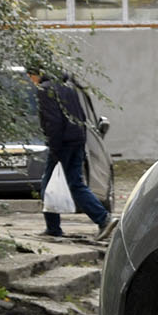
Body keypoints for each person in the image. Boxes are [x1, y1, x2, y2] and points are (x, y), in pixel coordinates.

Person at [27, 66, 115, 241]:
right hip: (77, 141)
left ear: (36, 74)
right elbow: (81, 116)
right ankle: (102, 219)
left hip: (62, 144)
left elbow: (53, 122)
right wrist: (80, 140)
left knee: (49, 184)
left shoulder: (45, 90)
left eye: (30, 76)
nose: (31, 81)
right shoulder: (69, 87)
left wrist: (54, 148)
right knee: (76, 184)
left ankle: (54, 228)